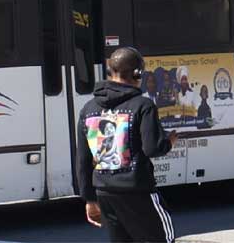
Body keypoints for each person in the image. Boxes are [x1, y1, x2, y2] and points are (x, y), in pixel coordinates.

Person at [77, 47, 179, 243]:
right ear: (138, 73)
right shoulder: (143, 105)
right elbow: (153, 148)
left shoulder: (88, 109)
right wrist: (168, 142)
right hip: (137, 190)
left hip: (104, 192)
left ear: (109, 71)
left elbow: (82, 159)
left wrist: (89, 199)